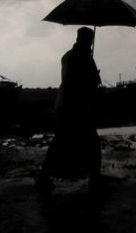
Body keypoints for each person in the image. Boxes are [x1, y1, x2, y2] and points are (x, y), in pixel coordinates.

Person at [37, 27, 102, 194]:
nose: (89, 43)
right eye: (88, 40)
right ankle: (94, 181)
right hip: (74, 108)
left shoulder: (69, 56)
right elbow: (84, 83)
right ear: (85, 40)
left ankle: (44, 176)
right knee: (90, 144)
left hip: (66, 107)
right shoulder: (81, 57)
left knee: (61, 142)